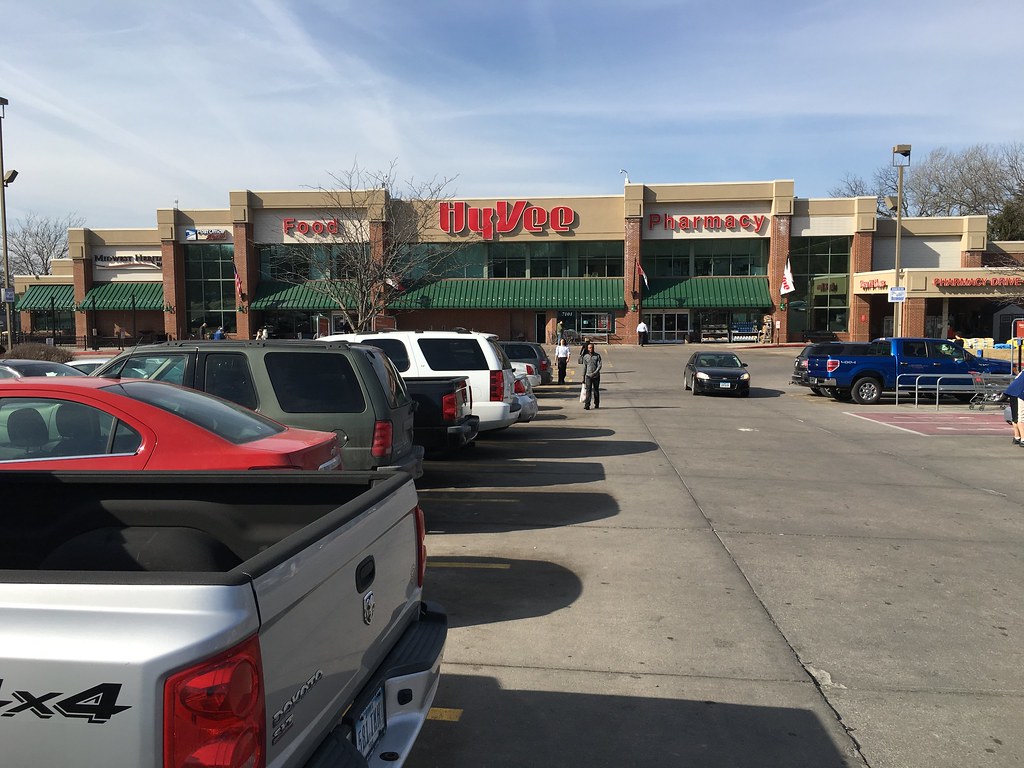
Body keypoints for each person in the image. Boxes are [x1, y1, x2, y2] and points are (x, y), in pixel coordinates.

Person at [580, 342, 603, 410]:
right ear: (587, 349)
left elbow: (600, 365)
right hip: (588, 376)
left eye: (592, 348)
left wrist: (595, 372)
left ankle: (596, 403)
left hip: (596, 376)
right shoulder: (585, 357)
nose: (591, 349)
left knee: (596, 390)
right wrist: (583, 377)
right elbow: (584, 367)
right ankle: (587, 404)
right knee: (588, 391)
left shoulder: (597, 356)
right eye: (589, 348)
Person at [1005, 370, 1024, 446]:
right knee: (1021, 416)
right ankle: (1023, 439)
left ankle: (1017, 437)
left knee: (1016, 415)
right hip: (1019, 392)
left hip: (1013, 390)